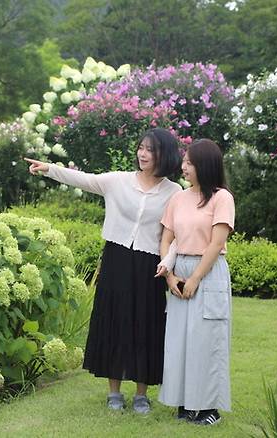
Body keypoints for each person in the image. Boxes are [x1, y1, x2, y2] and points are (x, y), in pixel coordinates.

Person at [25, 128, 181, 414]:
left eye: (150, 150)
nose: (142, 154)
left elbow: (176, 235)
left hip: (151, 264)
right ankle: (114, 392)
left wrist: (168, 262)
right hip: (117, 259)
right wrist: (48, 169)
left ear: (164, 155)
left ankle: (142, 394)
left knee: (146, 323)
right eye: (141, 148)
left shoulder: (174, 192)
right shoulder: (118, 181)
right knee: (115, 319)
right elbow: (83, 179)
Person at [157, 138, 235, 426]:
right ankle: (184, 402)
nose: (183, 166)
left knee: (206, 341)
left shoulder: (222, 198)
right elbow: (166, 239)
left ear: (204, 165)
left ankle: (207, 408)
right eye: (184, 161)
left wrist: (195, 278)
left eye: (189, 162)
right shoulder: (178, 197)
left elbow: (216, 244)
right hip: (178, 269)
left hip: (208, 271)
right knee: (178, 340)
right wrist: (170, 276)